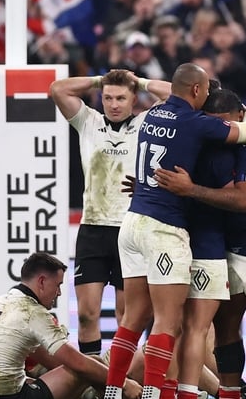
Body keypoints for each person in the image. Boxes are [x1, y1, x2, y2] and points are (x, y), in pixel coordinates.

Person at [96, 63, 246, 399]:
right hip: (163, 229)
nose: (205, 99)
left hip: (131, 222)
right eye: (204, 92)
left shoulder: (150, 114)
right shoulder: (195, 122)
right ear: (196, 91)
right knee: (167, 321)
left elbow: (170, 92)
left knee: (132, 319)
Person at [154, 87, 246, 399]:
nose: (219, 132)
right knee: (225, 323)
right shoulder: (206, 139)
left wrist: (190, 190)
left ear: (237, 119)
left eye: (222, 125)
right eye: (211, 123)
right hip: (222, 242)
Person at [49, 69, 172, 358]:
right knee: (87, 314)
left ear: (133, 100)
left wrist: (139, 81)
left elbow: (175, 94)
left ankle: (124, 385)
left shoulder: (147, 123)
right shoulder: (88, 121)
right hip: (93, 229)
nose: (114, 104)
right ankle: (92, 385)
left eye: (121, 97)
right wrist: (97, 80)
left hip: (130, 228)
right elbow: (57, 89)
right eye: (108, 98)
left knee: (126, 317)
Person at [0, 252, 142, 399]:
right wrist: (123, 383)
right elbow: (78, 363)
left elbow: (49, 358)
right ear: (42, 281)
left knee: (90, 365)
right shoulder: (31, 311)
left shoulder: (2, 301)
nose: (58, 293)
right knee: (85, 367)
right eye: (58, 285)